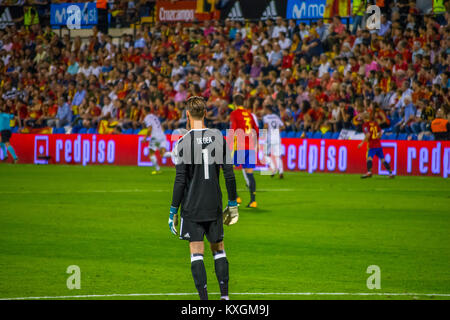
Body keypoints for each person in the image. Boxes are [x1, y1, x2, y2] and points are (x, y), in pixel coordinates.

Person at [169, 96, 238, 300]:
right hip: (213, 205)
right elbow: (229, 173)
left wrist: (173, 210)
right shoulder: (218, 138)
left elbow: (180, 180)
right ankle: (225, 298)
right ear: (205, 114)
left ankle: (204, 301)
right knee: (219, 249)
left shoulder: (182, 142)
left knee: (196, 252)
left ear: (188, 115)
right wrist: (232, 204)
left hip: (192, 207)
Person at [228, 94, 259, 208]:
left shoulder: (234, 113)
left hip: (239, 146)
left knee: (229, 170)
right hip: (250, 146)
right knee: (250, 173)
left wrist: (229, 144)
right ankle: (253, 201)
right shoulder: (249, 114)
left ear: (235, 103)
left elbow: (234, 129)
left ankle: (236, 197)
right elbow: (256, 129)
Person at [358, 111, 394, 178]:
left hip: (372, 145)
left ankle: (369, 172)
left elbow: (368, 135)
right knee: (382, 159)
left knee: (369, 158)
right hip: (378, 144)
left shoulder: (365, 125)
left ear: (364, 118)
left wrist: (361, 143)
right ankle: (390, 173)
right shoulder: (375, 123)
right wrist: (378, 137)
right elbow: (381, 132)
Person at [142, 107, 171, 174]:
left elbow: (149, 129)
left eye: (143, 110)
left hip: (155, 136)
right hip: (162, 135)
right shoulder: (154, 117)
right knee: (163, 154)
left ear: (145, 111)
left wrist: (145, 138)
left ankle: (157, 170)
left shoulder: (147, 118)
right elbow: (161, 126)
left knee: (151, 152)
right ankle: (176, 154)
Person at [262, 104, 285, 178]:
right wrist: (277, 131)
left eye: (265, 109)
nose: (264, 111)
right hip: (277, 136)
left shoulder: (265, 117)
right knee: (278, 155)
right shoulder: (276, 116)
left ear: (268, 110)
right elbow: (283, 126)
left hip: (270, 137)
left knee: (267, 154)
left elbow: (266, 127)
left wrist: (263, 135)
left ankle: (273, 169)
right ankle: (281, 172)